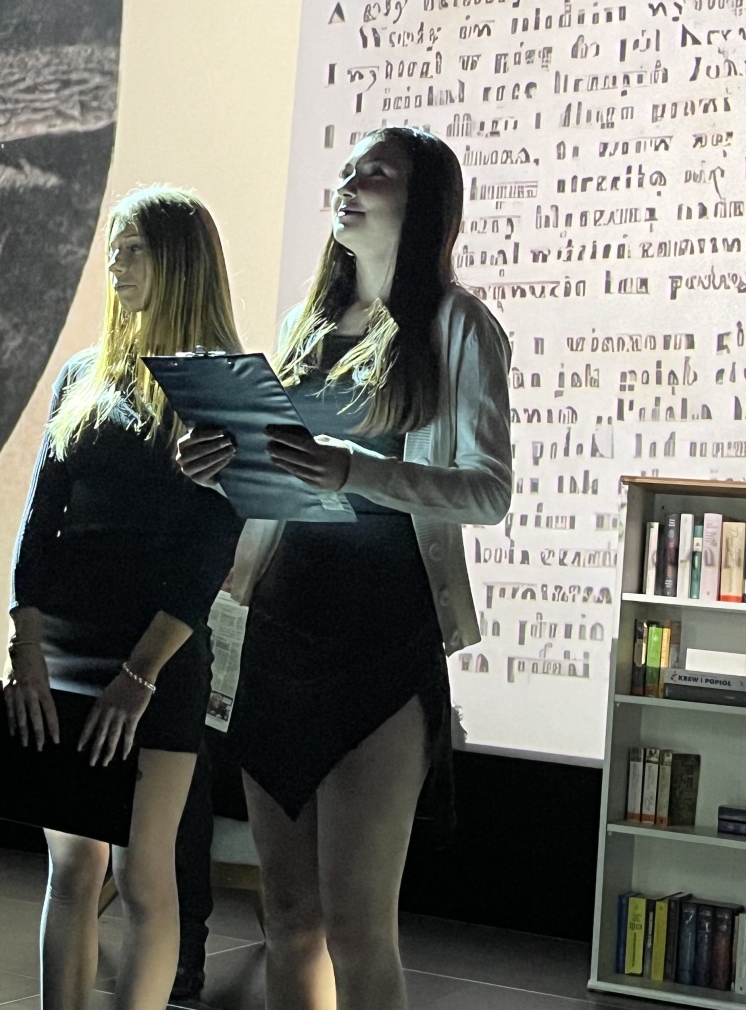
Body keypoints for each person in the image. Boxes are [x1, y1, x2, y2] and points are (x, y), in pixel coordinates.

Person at [177, 126, 513, 1010]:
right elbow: (275, 477)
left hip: (383, 640)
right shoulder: (308, 325)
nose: (350, 183)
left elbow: (488, 491)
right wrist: (218, 466)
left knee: (360, 928)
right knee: (288, 918)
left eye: (377, 172)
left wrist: (354, 470)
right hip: (278, 635)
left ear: (425, 201)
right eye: (347, 169)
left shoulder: (458, 325)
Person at [3, 186, 244, 1010]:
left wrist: (140, 674)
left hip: (158, 656)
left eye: (133, 247)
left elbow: (210, 550)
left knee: (144, 873)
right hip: (66, 647)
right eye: (113, 247)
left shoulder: (221, 387)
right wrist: (26, 644)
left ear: (179, 260)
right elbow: (39, 522)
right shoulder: (83, 373)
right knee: (72, 867)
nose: (115, 263)